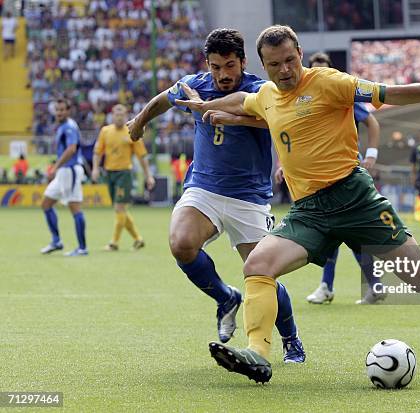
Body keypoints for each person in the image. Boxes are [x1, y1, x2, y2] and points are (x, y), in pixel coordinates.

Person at [175, 25, 420, 384]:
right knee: (258, 265)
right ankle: (258, 354)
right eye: (274, 65)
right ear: (262, 67)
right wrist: (211, 107)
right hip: (310, 210)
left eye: (289, 61)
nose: (284, 70)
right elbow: (245, 101)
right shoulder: (266, 93)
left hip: (356, 199)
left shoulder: (330, 82)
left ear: (300, 54)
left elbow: (395, 94)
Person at [126, 28, 305, 363]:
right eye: (216, 67)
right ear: (207, 64)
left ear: (243, 62)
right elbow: (163, 100)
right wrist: (138, 122)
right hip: (204, 189)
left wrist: (229, 116)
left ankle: (291, 338)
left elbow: (279, 121)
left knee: (263, 272)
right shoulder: (195, 84)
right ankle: (226, 298)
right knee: (181, 243)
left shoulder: (260, 89)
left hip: (248, 196)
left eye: (230, 66)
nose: (223, 74)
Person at [294, 51, 384, 305]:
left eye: (324, 68)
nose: (319, 73)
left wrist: (372, 155)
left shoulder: (339, 93)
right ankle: (346, 285)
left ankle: (333, 286)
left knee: (346, 230)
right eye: (314, 68)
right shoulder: (299, 99)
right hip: (318, 175)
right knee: (336, 230)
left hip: (345, 171)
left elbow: (372, 122)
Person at [92, 104, 155, 251]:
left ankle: (114, 243)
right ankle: (138, 239)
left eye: (122, 114)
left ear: (126, 116)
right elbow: (97, 152)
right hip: (109, 173)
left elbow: (142, 156)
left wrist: (148, 176)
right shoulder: (105, 131)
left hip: (124, 174)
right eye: (116, 114)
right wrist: (95, 169)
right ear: (112, 115)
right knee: (119, 209)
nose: (119, 117)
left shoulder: (132, 130)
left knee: (119, 207)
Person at [40, 98, 88, 256]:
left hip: (70, 170)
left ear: (68, 111)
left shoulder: (69, 127)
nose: (59, 112)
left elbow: (72, 149)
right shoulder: (63, 126)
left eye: (62, 110)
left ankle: (82, 248)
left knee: (75, 208)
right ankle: (56, 241)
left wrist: (56, 166)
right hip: (63, 172)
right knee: (46, 203)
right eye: (57, 110)